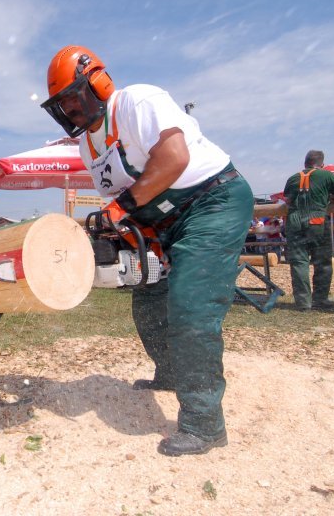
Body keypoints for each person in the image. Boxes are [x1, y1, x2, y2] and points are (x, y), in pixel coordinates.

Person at [41, 45, 253, 456]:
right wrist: (123, 229)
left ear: (97, 83)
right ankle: (172, 371)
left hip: (213, 200)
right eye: (62, 104)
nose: (70, 110)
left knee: (191, 304)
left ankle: (204, 423)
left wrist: (123, 209)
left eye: (73, 98)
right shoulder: (88, 145)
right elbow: (122, 197)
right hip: (163, 219)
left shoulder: (139, 100)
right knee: (149, 299)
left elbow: (173, 159)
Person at [282, 150, 334, 311]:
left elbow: (288, 200)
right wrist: (328, 198)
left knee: (299, 262)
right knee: (323, 261)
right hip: (317, 220)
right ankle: (320, 299)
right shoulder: (326, 175)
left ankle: (303, 303)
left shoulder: (293, 178)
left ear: (305, 163)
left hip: (295, 221)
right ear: (322, 164)